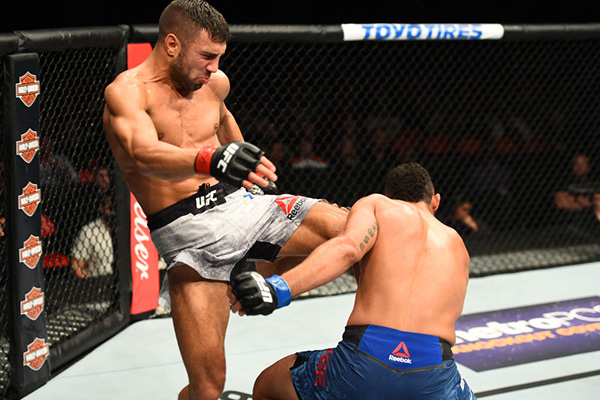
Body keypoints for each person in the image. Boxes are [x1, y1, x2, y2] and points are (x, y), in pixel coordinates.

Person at [102, 1, 348, 399]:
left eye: (219, 57)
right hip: (189, 236)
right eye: (207, 56)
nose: (214, 68)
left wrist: (245, 158)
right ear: (171, 44)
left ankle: (371, 354)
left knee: (356, 229)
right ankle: (250, 276)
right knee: (208, 387)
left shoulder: (213, 84)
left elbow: (224, 124)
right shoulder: (127, 93)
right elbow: (142, 154)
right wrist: (211, 159)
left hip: (243, 206)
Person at [231, 163, 477, 400]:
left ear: (388, 195)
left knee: (267, 385)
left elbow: (348, 248)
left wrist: (277, 289)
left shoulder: (378, 205)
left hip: (364, 362)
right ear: (436, 201)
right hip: (435, 372)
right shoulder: (457, 244)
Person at [70, 196, 113, 278]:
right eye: (109, 208)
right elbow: (75, 264)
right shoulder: (89, 231)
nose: (113, 212)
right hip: (97, 284)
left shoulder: (134, 227)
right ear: (102, 209)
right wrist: (89, 283)